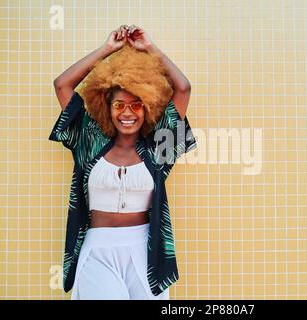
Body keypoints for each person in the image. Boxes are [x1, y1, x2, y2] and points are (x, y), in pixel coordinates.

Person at [49, 24, 197, 299]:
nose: (127, 112)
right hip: (98, 250)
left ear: (148, 106)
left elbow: (183, 88)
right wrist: (107, 49)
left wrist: (150, 49)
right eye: (119, 105)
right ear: (107, 107)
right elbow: (62, 84)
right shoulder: (89, 140)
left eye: (136, 104)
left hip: (146, 250)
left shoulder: (158, 149)